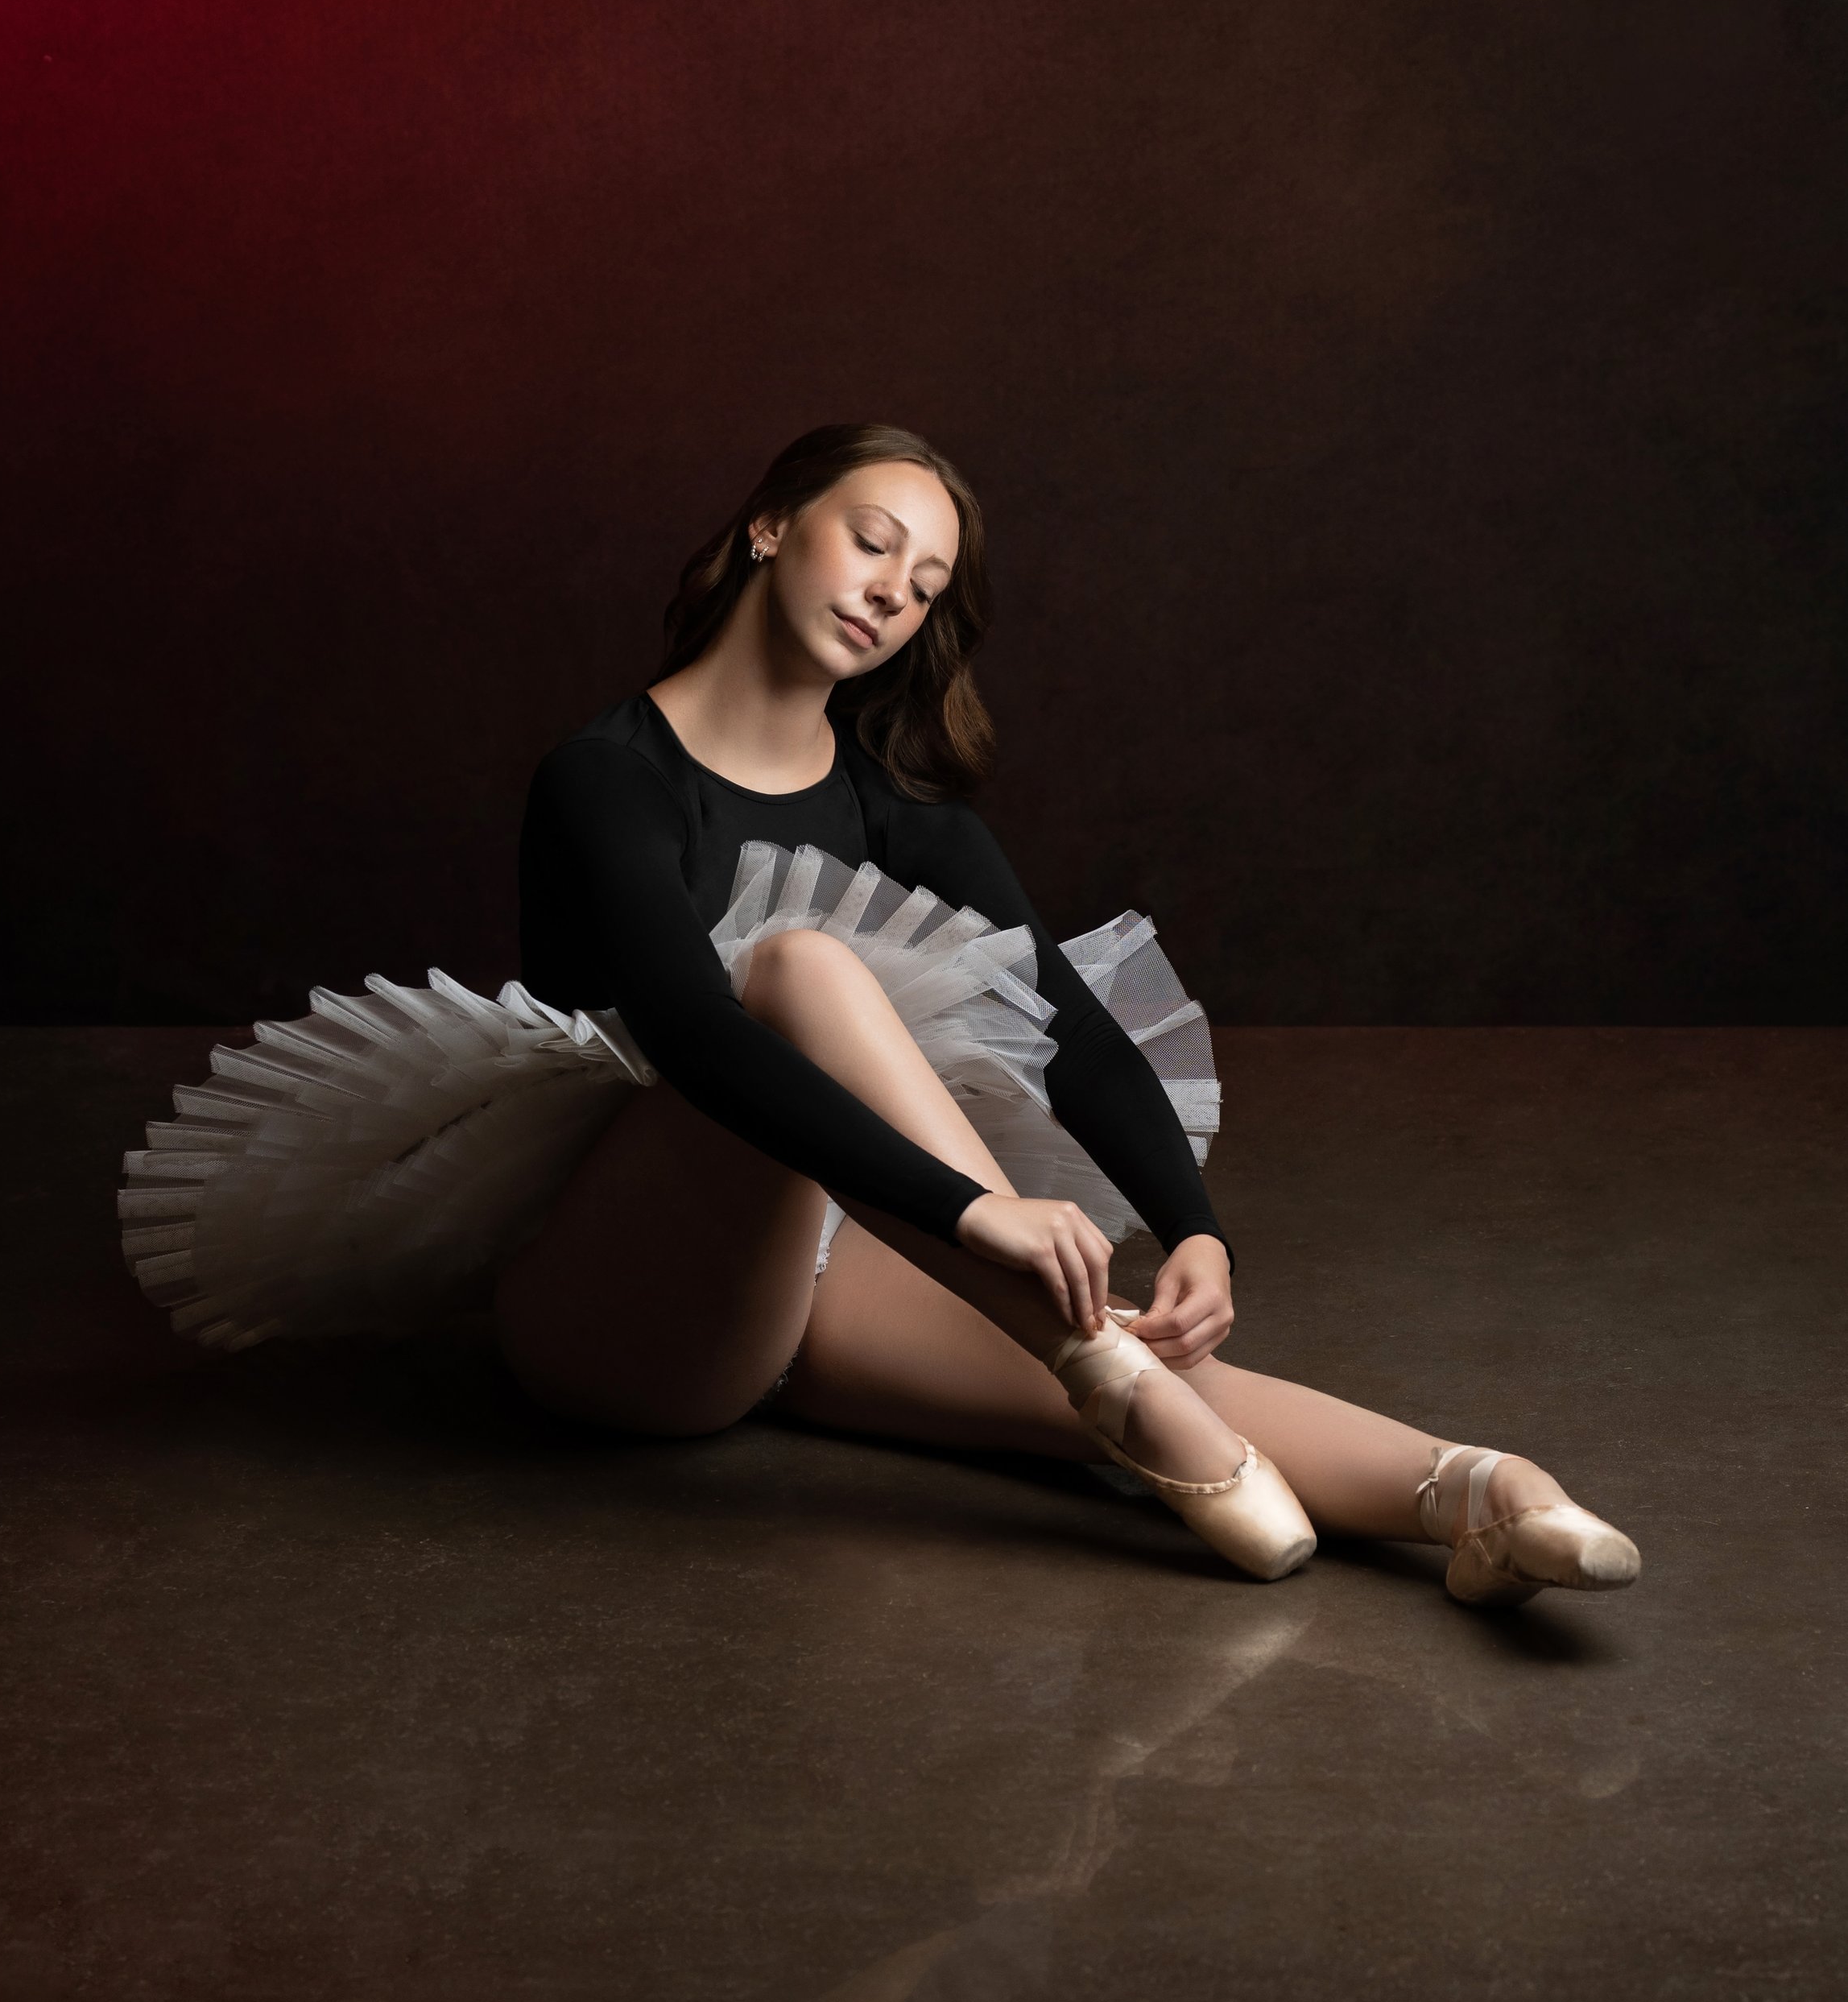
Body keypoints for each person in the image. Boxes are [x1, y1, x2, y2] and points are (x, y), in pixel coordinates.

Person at [120, 423, 1640, 1602]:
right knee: (796, 969)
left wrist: (1195, 1223)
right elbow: (698, 1038)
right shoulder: (609, 777)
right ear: (772, 524)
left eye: (923, 588)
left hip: (803, 1301)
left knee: (1156, 1364)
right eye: (872, 542)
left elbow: (1075, 1033)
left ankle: (1490, 1497)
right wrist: (980, 1219)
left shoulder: (910, 821)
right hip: (609, 1311)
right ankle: (1099, 1367)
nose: (890, 594)